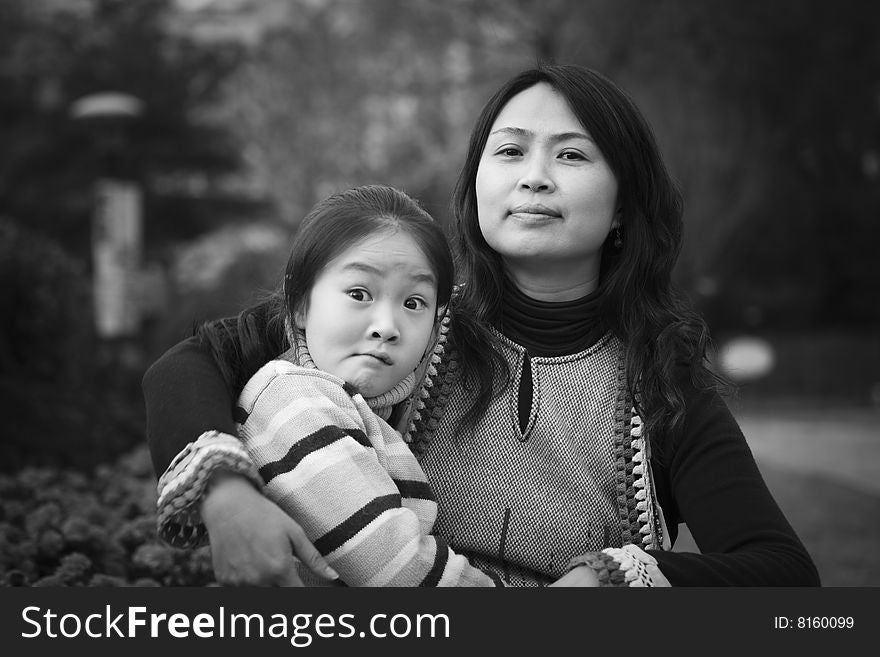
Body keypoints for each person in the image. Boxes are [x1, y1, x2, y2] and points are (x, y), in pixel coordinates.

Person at [144, 64, 820, 587]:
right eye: (510, 152)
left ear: (622, 208)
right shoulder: (402, 320)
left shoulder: (660, 381)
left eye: (572, 156)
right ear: (476, 188)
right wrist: (226, 496)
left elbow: (783, 570)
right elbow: (189, 364)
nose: (534, 178)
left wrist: (610, 577)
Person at [159, 185, 501, 587]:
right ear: (300, 304)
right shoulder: (295, 401)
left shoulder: (362, 407)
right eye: (359, 293)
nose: (387, 327)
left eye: (413, 303)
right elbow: (397, 570)